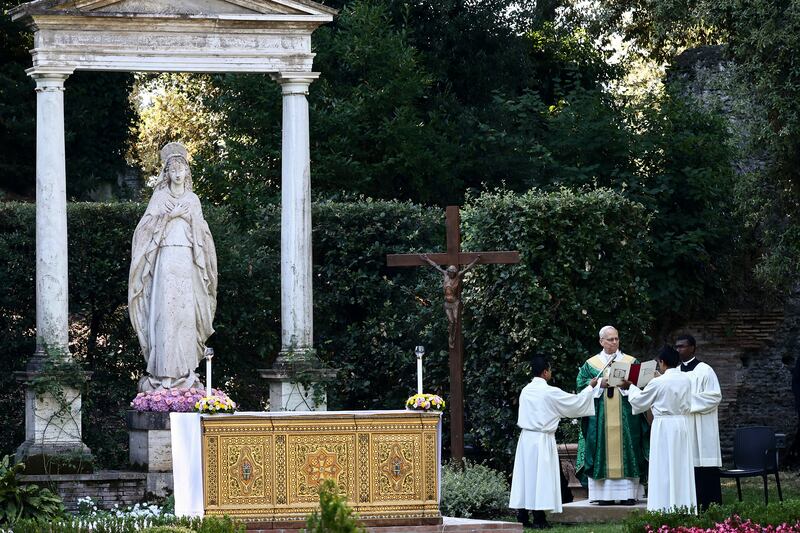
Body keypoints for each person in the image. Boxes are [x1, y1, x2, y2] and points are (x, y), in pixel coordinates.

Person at [129, 142, 218, 392]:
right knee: (166, 316)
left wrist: (186, 215)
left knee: (185, 316)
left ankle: (186, 373)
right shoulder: (159, 198)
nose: (178, 173)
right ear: (166, 173)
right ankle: (164, 375)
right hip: (165, 260)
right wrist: (167, 216)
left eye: (182, 168)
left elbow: (203, 233)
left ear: (187, 172)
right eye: (173, 169)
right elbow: (143, 231)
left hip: (188, 261)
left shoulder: (193, 200)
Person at [510, 356, 598, 529]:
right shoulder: (549, 391)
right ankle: (539, 517)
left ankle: (522, 515)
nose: (550, 373)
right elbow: (575, 403)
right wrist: (590, 388)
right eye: (549, 370)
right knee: (540, 477)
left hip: (526, 438)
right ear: (545, 372)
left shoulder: (526, 390)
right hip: (542, 439)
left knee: (526, 477)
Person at [575, 326, 649, 505]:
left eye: (616, 339)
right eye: (610, 339)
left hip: (626, 419)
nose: (614, 342)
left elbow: (643, 386)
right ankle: (603, 496)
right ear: (601, 341)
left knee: (630, 448)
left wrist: (628, 386)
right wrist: (600, 383)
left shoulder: (631, 361)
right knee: (601, 448)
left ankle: (629, 494)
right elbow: (581, 386)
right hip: (600, 419)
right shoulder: (591, 364)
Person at [622, 346, 697, 513]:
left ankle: (663, 507)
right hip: (682, 424)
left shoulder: (658, 382)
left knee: (663, 466)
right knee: (681, 466)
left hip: (664, 426)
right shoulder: (686, 379)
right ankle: (684, 506)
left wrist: (631, 387)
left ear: (662, 363)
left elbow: (640, 401)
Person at [676, 334, 723, 510]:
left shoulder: (705, 370)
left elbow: (714, 397)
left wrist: (687, 403)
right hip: (684, 426)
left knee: (704, 465)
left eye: (683, 346)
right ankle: (688, 506)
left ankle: (710, 506)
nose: (680, 350)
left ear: (693, 347)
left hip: (703, 426)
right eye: (677, 347)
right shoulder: (676, 372)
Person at [420, 254, 480, 348]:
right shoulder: (445, 274)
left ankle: (454, 338)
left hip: (455, 303)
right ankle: (450, 339)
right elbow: (435, 266)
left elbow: (467, 268)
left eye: (453, 272)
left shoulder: (458, 276)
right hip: (447, 304)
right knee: (451, 322)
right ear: (448, 272)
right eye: (450, 272)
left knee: (456, 320)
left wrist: (476, 260)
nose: (451, 274)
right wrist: (427, 259)